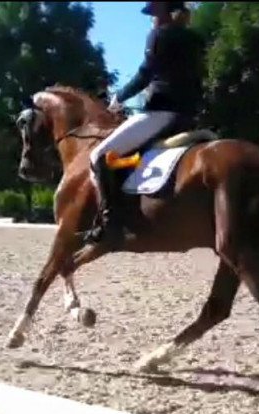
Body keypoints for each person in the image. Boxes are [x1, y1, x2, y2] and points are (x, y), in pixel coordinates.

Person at [83, 1, 205, 247]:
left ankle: (111, 221)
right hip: (188, 115)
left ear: (162, 13)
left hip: (161, 111)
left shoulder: (159, 35)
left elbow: (145, 72)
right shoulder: (195, 39)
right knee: (135, 156)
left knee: (99, 156)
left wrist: (119, 96)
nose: (151, 19)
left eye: (152, 14)